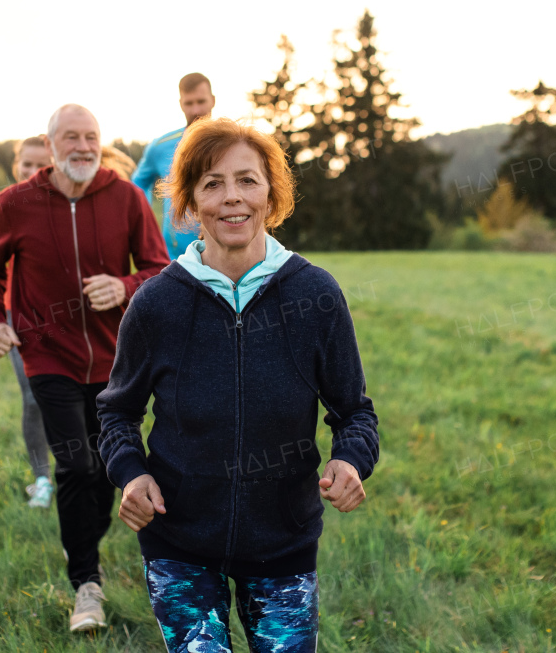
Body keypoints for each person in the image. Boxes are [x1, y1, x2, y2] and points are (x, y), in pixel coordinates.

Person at [98, 117, 379, 652]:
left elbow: (354, 412)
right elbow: (117, 412)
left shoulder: (315, 294)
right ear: (187, 202)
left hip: (282, 543)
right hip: (176, 540)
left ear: (272, 192)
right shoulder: (156, 303)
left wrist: (350, 458)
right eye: (212, 183)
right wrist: (130, 474)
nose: (233, 198)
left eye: (248, 180)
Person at [0, 104, 170, 633]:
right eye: (71, 137)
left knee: (107, 469)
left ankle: (82, 544)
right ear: (52, 143)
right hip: (47, 357)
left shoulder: (126, 198)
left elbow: (157, 268)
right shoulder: (16, 202)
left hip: (115, 361)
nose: (83, 146)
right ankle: (87, 584)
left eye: (91, 137)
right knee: (76, 467)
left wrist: (124, 286)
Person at [0, 136, 56, 508]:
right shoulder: (7, 203)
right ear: (15, 165)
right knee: (32, 398)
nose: (33, 171)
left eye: (42, 164)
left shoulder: (65, 203)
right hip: (17, 316)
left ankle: (91, 472)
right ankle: (42, 479)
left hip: (64, 314)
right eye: (27, 164)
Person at [131, 72, 216, 259]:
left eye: (201, 102)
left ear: (213, 101)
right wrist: (145, 223)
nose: (195, 110)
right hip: (175, 258)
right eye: (189, 103)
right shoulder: (160, 147)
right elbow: (137, 185)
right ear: (180, 104)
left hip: (225, 253)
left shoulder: (234, 144)